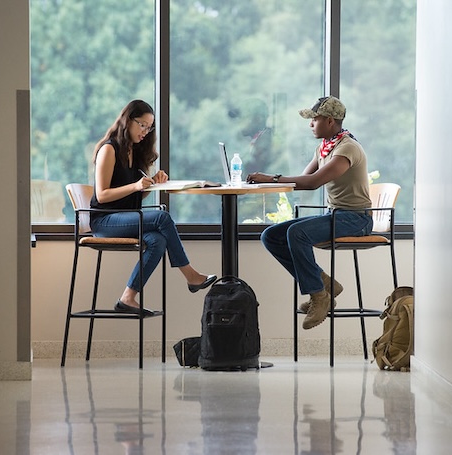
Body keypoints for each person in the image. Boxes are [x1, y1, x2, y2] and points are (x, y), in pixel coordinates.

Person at [246, 96, 373, 330]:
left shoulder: (347, 148)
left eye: (315, 119)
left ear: (331, 121)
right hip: (336, 215)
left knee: (296, 233)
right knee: (270, 236)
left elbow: (313, 182)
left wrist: (270, 178)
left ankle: (319, 295)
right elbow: (302, 180)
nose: (310, 124)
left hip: (357, 219)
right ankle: (324, 283)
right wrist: (266, 181)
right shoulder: (324, 147)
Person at [90, 99, 216, 315]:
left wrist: (151, 183)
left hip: (127, 217)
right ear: (128, 121)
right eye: (142, 125)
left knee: (157, 240)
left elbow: (137, 192)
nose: (146, 132)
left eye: (149, 128)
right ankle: (190, 275)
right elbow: (102, 196)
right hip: (104, 221)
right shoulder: (109, 149)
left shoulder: (136, 151)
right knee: (162, 217)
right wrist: (135, 185)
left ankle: (127, 297)